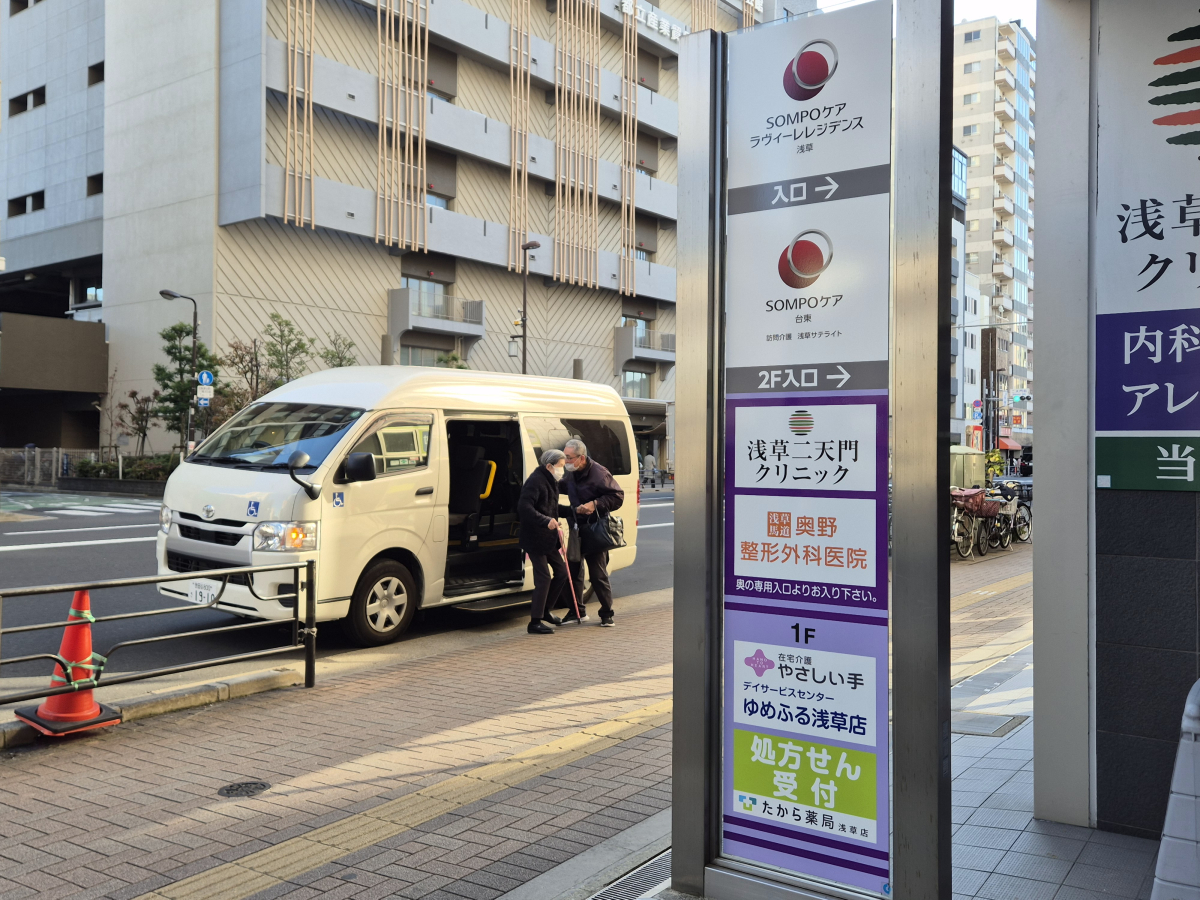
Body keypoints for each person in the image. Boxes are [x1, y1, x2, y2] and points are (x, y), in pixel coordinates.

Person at [561, 438, 623, 627]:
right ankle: (577, 611)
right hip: (576, 527)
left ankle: (607, 614)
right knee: (573, 571)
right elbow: (564, 486)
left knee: (597, 573)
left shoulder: (599, 473)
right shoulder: (571, 473)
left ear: (581, 458)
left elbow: (617, 496)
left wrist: (595, 504)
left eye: (569, 458)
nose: (566, 461)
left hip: (594, 528)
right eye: (565, 457)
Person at [517, 449, 570, 635]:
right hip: (535, 537)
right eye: (560, 466)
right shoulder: (535, 481)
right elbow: (524, 507)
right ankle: (535, 622)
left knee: (562, 572)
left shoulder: (551, 480)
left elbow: (552, 507)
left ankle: (546, 610)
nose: (562, 470)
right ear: (549, 466)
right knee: (544, 578)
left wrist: (573, 511)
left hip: (548, 537)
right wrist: (545, 520)